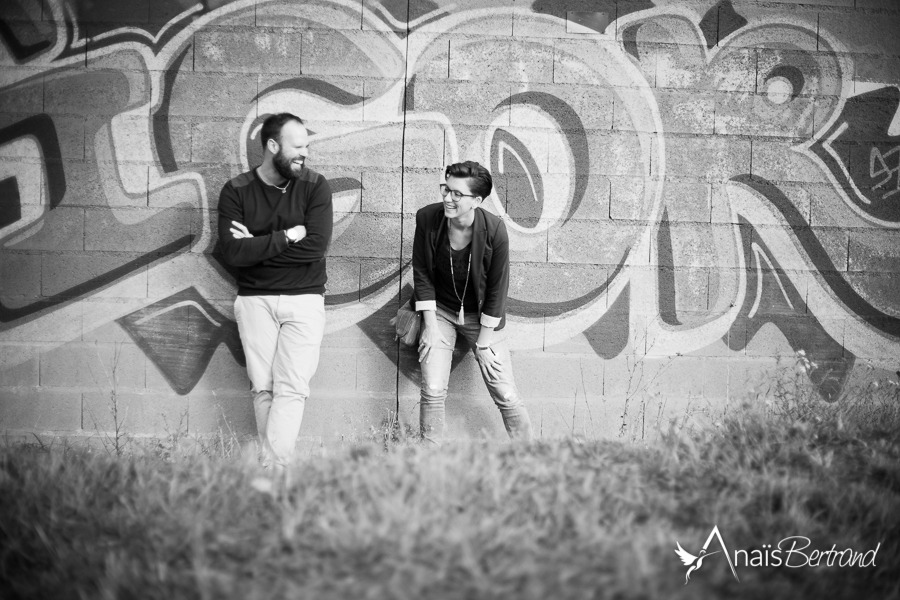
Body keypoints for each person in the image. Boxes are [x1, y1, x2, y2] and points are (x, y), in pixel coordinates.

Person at [217, 112, 333, 469]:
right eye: (297, 147)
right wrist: (287, 236)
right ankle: (275, 474)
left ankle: (272, 472)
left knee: (292, 387)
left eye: (306, 147)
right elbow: (234, 253)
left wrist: (259, 248)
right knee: (263, 388)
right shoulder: (236, 190)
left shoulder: (315, 186)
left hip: (305, 299)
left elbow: (315, 248)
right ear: (271, 146)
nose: (305, 154)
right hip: (255, 301)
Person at [411, 160, 533, 444]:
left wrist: (484, 343)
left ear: (476, 200)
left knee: (504, 391)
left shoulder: (494, 231)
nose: (447, 197)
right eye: (446, 188)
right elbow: (422, 273)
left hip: (482, 320)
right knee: (432, 387)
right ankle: (429, 465)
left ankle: (532, 459)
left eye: (457, 193)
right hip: (439, 312)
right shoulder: (427, 218)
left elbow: (496, 291)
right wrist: (430, 326)